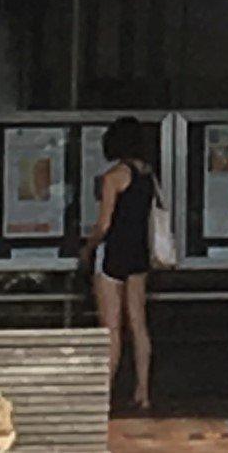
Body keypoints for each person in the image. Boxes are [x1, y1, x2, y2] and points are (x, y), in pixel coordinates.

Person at [86, 118, 160, 416]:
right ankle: (143, 392)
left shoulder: (113, 177)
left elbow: (104, 224)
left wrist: (87, 247)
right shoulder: (147, 176)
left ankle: (105, 391)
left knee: (111, 328)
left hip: (113, 254)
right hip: (139, 254)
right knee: (139, 325)